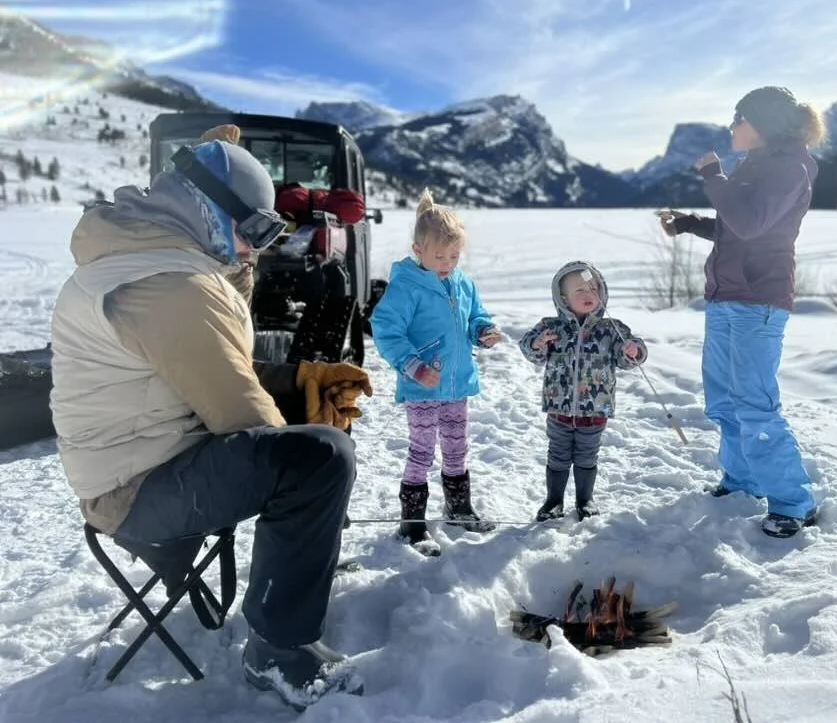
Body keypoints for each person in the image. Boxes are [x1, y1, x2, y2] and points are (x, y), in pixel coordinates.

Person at [49, 127, 372, 709]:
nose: (258, 247)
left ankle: (306, 558)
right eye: (252, 231)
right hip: (136, 493)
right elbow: (240, 416)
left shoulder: (151, 252)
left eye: (268, 233)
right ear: (200, 210)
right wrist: (310, 460)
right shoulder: (170, 284)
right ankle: (277, 650)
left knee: (306, 414)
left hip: (154, 453)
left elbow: (211, 356)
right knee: (317, 458)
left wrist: (299, 384)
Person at [659, 85, 825, 539]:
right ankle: (741, 481)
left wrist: (714, 176)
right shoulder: (756, 165)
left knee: (755, 405)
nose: (733, 127)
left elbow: (751, 223)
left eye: (740, 119)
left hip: (758, 302)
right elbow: (737, 229)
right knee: (724, 401)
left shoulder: (792, 168)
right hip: (726, 297)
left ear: (763, 124)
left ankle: (794, 502)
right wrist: (692, 223)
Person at [369, 189, 502, 556]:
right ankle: (412, 523)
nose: (447, 263)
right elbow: (385, 328)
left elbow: (475, 316)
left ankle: (459, 509)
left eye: (454, 255)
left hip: (456, 384)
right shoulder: (406, 287)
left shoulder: (463, 283)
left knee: (457, 447)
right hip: (423, 385)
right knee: (423, 451)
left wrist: (483, 331)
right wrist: (413, 366)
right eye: (439, 256)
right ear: (418, 251)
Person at [518, 261, 648, 521]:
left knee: (587, 454)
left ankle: (584, 498)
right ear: (563, 299)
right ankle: (553, 500)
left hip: (595, 408)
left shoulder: (611, 329)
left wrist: (633, 351)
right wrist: (538, 343)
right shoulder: (551, 327)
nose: (588, 294)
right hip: (560, 408)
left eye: (593, 288)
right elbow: (528, 348)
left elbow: (629, 359)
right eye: (579, 291)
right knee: (558, 454)